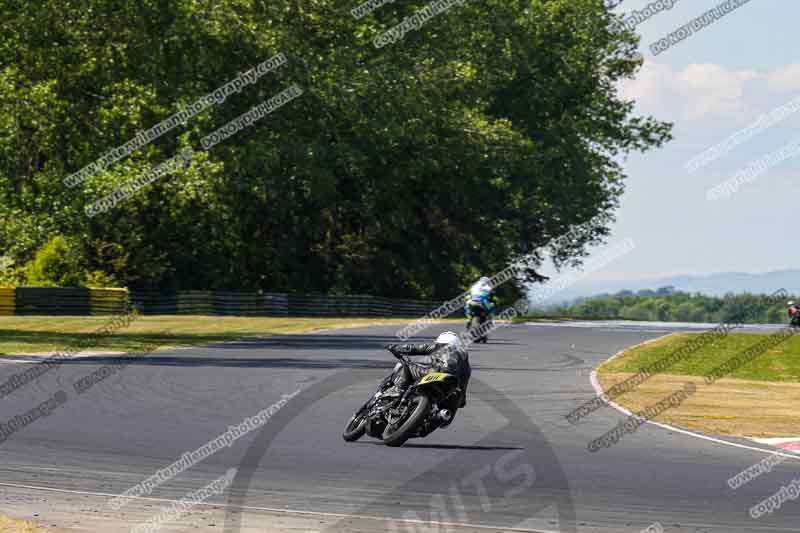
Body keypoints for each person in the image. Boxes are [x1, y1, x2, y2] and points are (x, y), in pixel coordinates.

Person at [385, 331, 471, 424]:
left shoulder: (442, 346)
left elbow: (414, 348)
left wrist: (396, 348)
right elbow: (464, 388)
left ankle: (398, 390)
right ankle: (437, 419)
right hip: (453, 388)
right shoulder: (466, 364)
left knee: (407, 367)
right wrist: (461, 401)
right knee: (446, 418)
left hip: (437, 374)